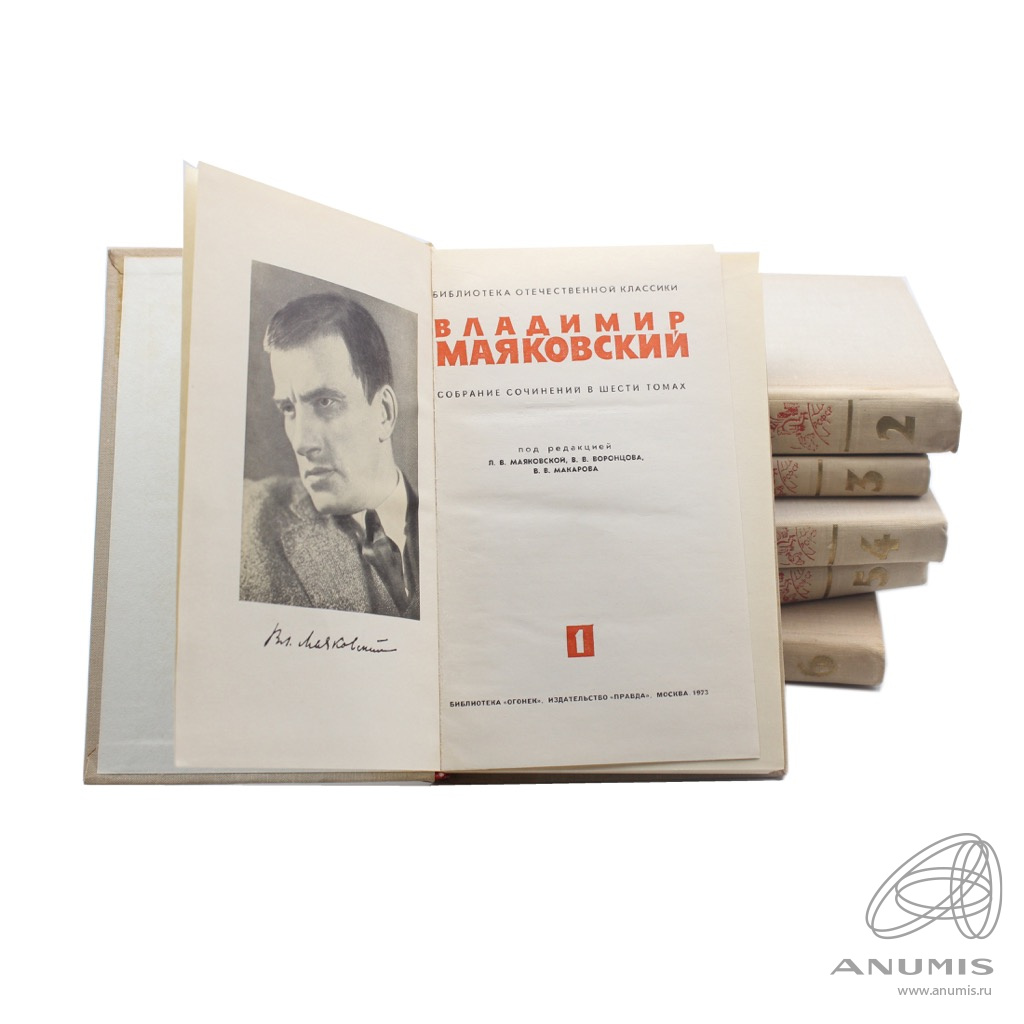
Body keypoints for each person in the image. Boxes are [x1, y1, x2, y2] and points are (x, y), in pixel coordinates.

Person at [240, 292, 419, 619]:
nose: (301, 442)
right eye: (289, 408)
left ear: (384, 413)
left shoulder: (455, 526)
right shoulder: (248, 521)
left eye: (325, 402)